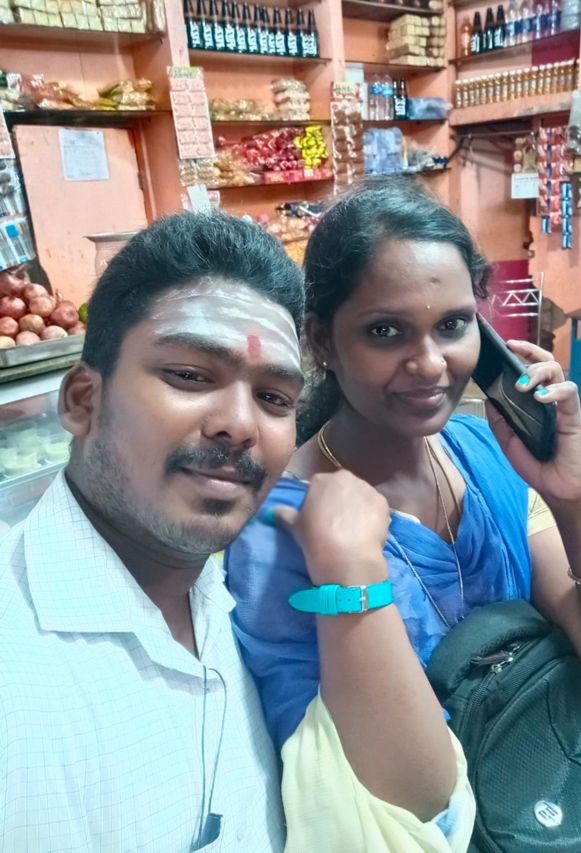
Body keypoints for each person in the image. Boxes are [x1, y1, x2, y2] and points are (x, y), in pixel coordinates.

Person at [0, 210, 474, 852]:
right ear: (83, 399)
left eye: (274, 398)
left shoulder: (238, 586)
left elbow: (424, 810)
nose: (239, 424)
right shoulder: (21, 678)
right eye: (190, 376)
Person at [227, 180, 581, 825]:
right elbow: (416, 801)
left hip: (575, 801)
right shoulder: (279, 532)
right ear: (322, 342)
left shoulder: (482, 452)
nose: (430, 365)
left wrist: (576, 495)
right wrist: (351, 576)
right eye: (385, 331)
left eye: (452, 325)